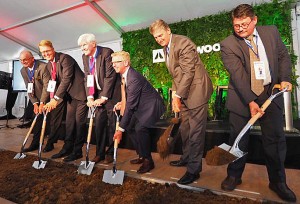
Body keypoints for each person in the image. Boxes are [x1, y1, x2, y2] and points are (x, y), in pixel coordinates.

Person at [220, 4, 296, 202]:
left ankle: (278, 181)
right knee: (238, 139)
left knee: (275, 140)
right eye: (236, 25)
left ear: (255, 20)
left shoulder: (271, 32)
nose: (240, 29)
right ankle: (234, 175)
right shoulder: (228, 44)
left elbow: (282, 56)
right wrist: (251, 101)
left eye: (244, 24)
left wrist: (285, 77)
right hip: (242, 98)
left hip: (270, 93)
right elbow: (237, 76)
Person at [149, 19, 213, 185]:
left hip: (197, 91)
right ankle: (186, 158)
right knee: (184, 129)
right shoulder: (166, 48)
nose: (159, 39)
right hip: (184, 93)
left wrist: (177, 96)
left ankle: (194, 170)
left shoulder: (183, 43)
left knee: (195, 133)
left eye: (160, 35)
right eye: (156, 37)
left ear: (168, 30)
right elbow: (176, 74)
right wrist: (174, 94)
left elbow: (188, 72)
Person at [112, 51, 165, 174]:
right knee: (130, 127)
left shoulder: (133, 77)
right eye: (113, 63)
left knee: (141, 128)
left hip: (152, 106)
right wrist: (122, 103)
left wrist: (119, 130)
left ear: (125, 62)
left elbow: (131, 106)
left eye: (116, 62)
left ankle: (148, 161)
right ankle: (142, 155)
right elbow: (129, 97)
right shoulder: (125, 75)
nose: (113, 65)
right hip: (141, 104)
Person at [39, 40, 88, 162]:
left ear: (53, 48)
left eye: (47, 51)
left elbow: (67, 79)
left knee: (79, 123)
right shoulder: (49, 65)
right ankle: (67, 148)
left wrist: (56, 99)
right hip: (69, 97)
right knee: (70, 123)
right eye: (43, 52)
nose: (46, 54)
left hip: (81, 94)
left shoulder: (65, 58)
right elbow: (52, 83)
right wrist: (47, 100)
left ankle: (77, 152)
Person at [77, 33, 121, 164]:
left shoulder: (107, 53)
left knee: (113, 125)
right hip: (97, 96)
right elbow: (87, 77)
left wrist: (104, 97)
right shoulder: (85, 58)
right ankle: (99, 153)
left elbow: (110, 77)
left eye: (84, 45)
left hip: (111, 94)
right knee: (99, 125)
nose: (82, 48)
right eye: (80, 46)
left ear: (93, 44)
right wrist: (90, 97)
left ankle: (111, 152)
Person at [19, 50, 50, 152]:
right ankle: (35, 144)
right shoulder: (23, 71)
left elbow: (47, 87)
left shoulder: (43, 67)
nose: (23, 62)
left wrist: (42, 103)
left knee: (52, 122)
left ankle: (50, 144)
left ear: (32, 59)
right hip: (37, 98)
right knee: (37, 120)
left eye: (25, 59)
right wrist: (35, 103)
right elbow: (28, 87)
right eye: (21, 60)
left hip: (50, 97)